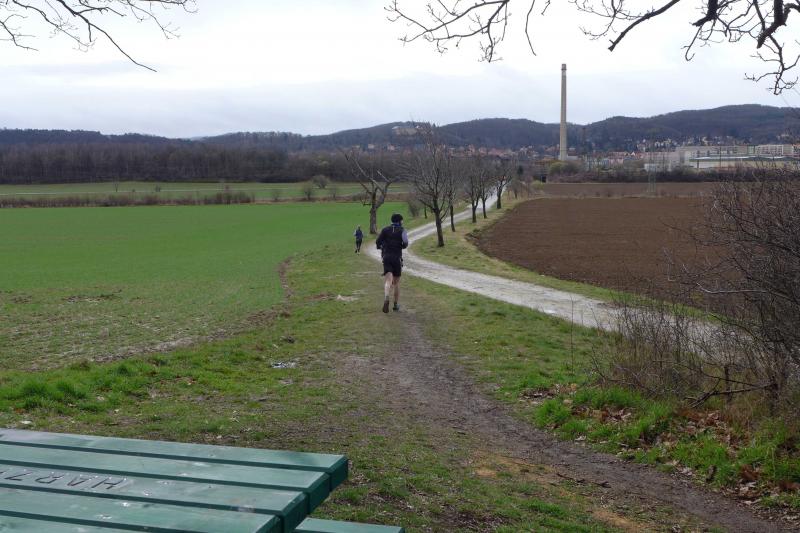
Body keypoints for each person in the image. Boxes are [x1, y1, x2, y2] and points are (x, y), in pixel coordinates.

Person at [375, 213, 409, 313]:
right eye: (402, 220)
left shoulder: (385, 230)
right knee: (396, 283)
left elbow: (378, 242)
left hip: (386, 257)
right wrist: (402, 246)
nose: (402, 222)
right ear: (399, 221)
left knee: (388, 281)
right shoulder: (403, 230)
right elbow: (405, 243)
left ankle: (386, 297)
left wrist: (381, 247)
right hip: (397, 258)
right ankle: (395, 305)